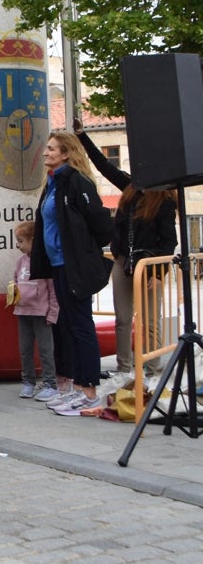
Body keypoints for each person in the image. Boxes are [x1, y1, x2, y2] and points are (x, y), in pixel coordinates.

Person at [74, 119, 176, 379]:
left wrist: (159, 272)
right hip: (123, 261)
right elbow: (104, 166)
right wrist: (82, 136)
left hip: (150, 265)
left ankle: (152, 370)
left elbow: (169, 241)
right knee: (122, 319)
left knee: (151, 320)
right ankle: (123, 368)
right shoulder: (130, 187)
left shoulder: (164, 200)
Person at [29, 131, 114, 417]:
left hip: (75, 265)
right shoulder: (52, 184)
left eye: (51, 149)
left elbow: (101, 224)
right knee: (67, 325)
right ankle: (77, 389)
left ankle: (89, 391)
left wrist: (84, 249)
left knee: (81, 326)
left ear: (66, 153)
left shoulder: (77, 182)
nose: (45, 153)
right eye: (47, 148)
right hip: (58, 265)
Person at [11, 221, 58, 399]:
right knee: (25, 349)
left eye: (21, 241)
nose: (18, 245)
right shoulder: (20, 262)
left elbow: (53, 290)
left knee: (46, 350)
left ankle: (50, 383)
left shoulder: (44, 261)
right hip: (22, 312)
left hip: (41, 313)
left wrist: (52, 313)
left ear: (33, 240)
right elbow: (16, 281)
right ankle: (28, 382)